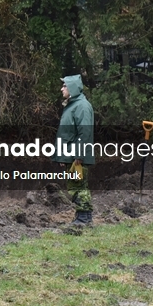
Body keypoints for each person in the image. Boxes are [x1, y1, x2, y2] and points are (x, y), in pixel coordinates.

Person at [55, 74, 95, 226]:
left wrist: (79, 155)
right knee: (75, 185)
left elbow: (84, 132)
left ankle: (83, 218)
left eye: (64, 86)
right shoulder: (73, 105)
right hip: (71, 155)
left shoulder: (82, 106)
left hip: (77, 156)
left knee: (78, 185)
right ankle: (83, 216)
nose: (61, 89)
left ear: (72, 88)